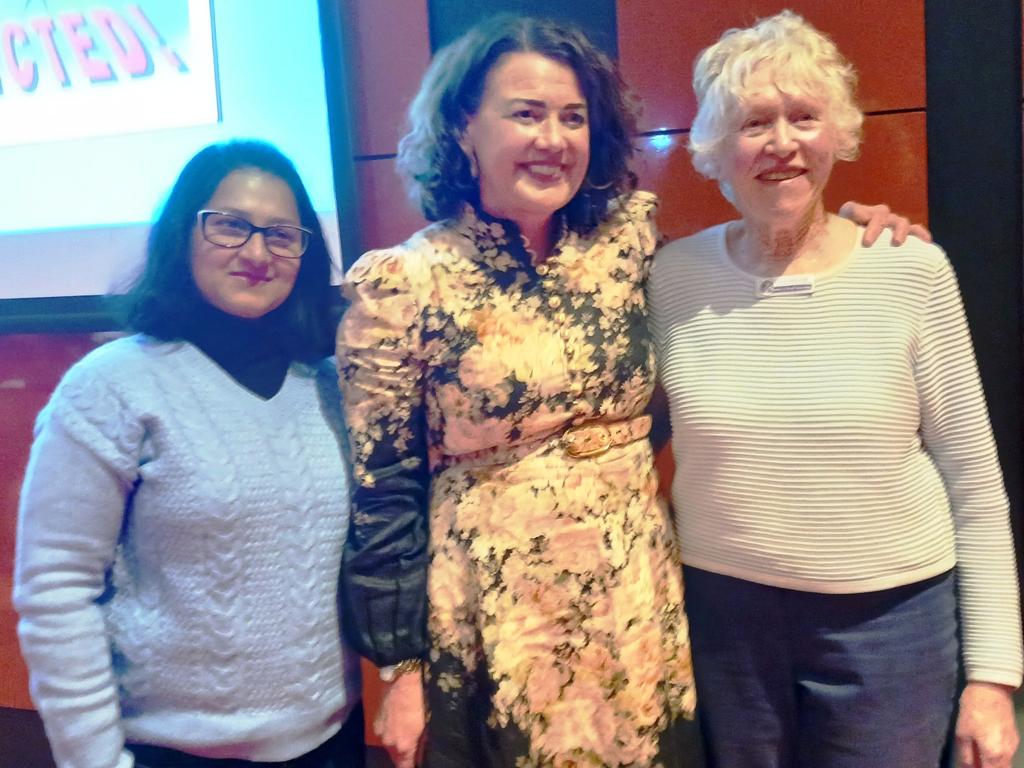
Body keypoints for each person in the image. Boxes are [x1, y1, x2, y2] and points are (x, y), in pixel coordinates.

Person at [337, 15, 921, 768]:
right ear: (462, 127)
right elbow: (383, 495)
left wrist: (851, 228)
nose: (553, 137)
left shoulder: (629, 244)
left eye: (573, 117)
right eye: (525, 113)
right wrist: (400, 669)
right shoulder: (401, 285)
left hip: (637, 601)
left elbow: (749, 276)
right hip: (493, 621)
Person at [649, 11, 1022, 768]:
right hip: (723, 625)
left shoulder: (910, 270)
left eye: (804, 116)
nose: (782, 142)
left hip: (892, 628)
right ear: (716, 151)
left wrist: (994, 679)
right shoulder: (671, 279)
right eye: (754, 122)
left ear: (838, 135)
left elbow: (976, 486)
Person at [13, 140, 364, 768]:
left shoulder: (333, 385)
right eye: (230, 226)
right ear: (184, 234)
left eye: (282, 235)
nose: (258, 252)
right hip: (172, 752)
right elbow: (57, 590)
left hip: (331, 742)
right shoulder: (111, 386)